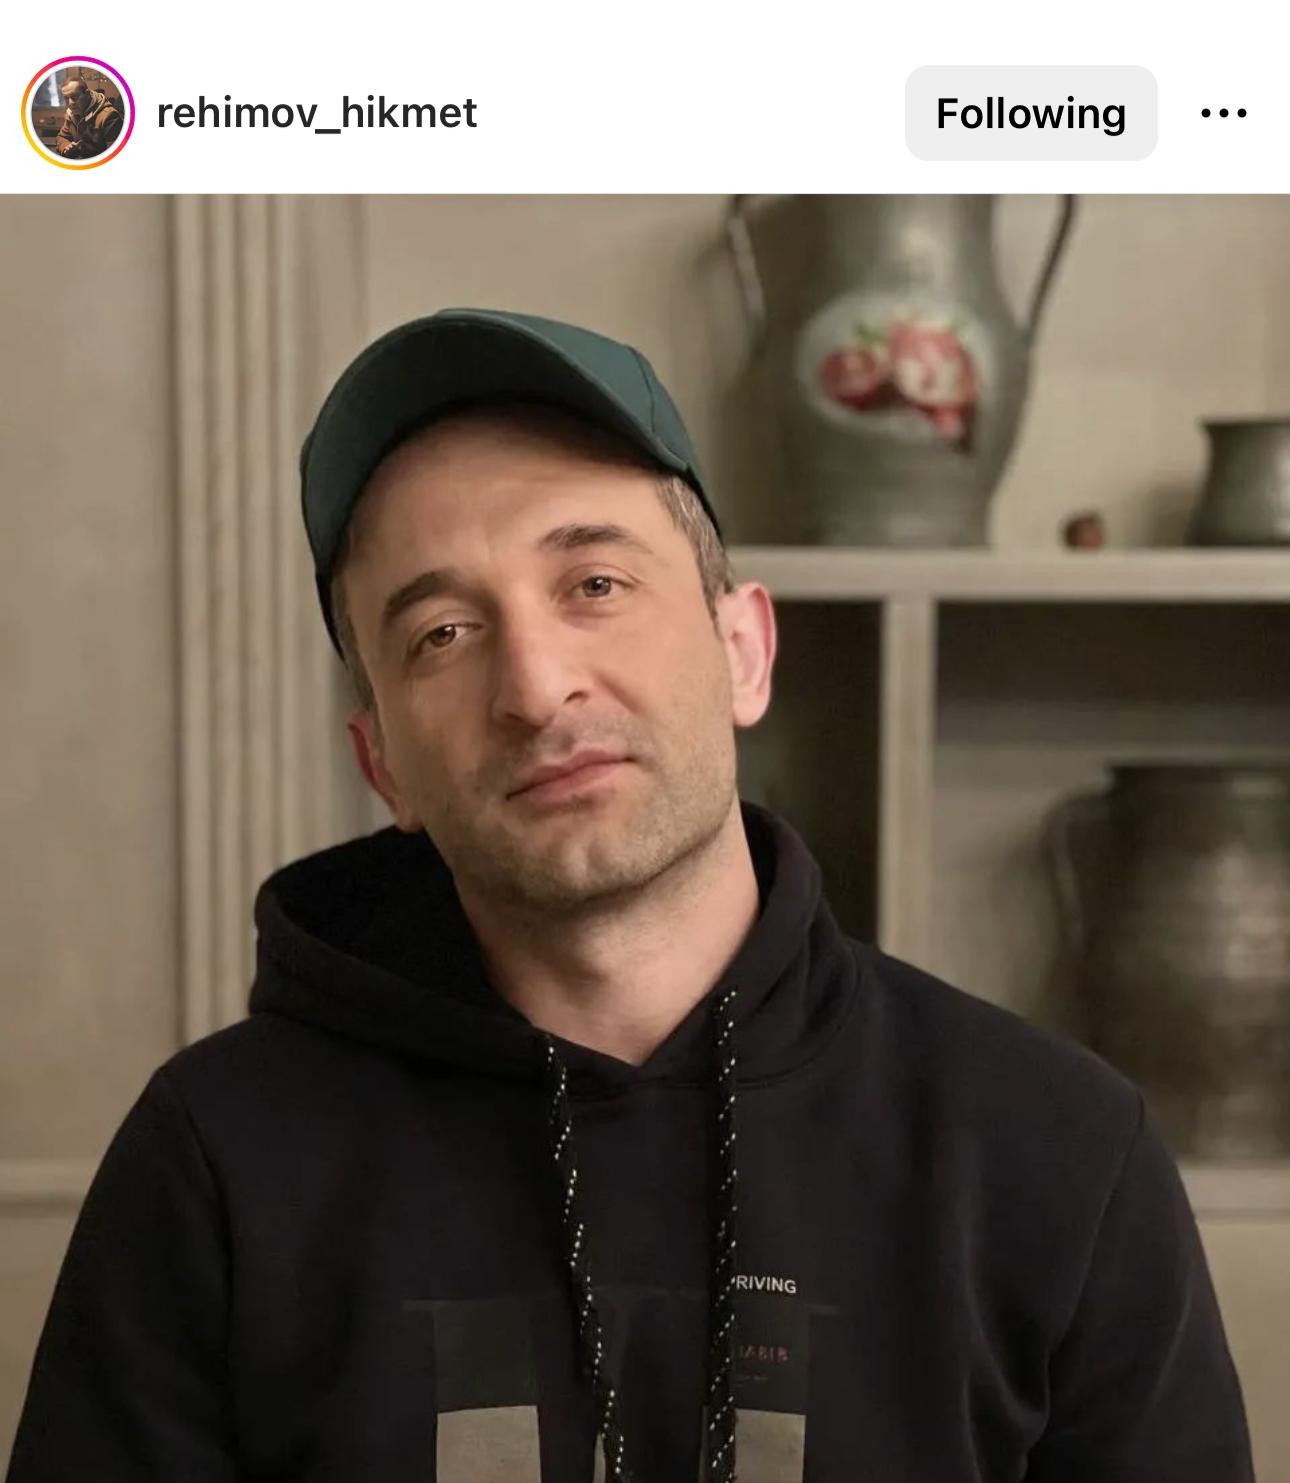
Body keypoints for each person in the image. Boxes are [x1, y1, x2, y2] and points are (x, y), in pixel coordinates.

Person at [7, 308, 1254, 1481]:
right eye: (442, 634)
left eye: (595, 584)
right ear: (383, 762)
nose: (535, 686)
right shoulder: (217, 1163)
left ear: (743, 651)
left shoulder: (1054, 1155)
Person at [53, 78, 124, 159]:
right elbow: (61, 137)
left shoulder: (109, 115)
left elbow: (114, 154)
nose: (70, 103)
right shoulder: (71, 114)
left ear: (87, 94)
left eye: (75, 97)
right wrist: (66, 147)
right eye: (66, 98)